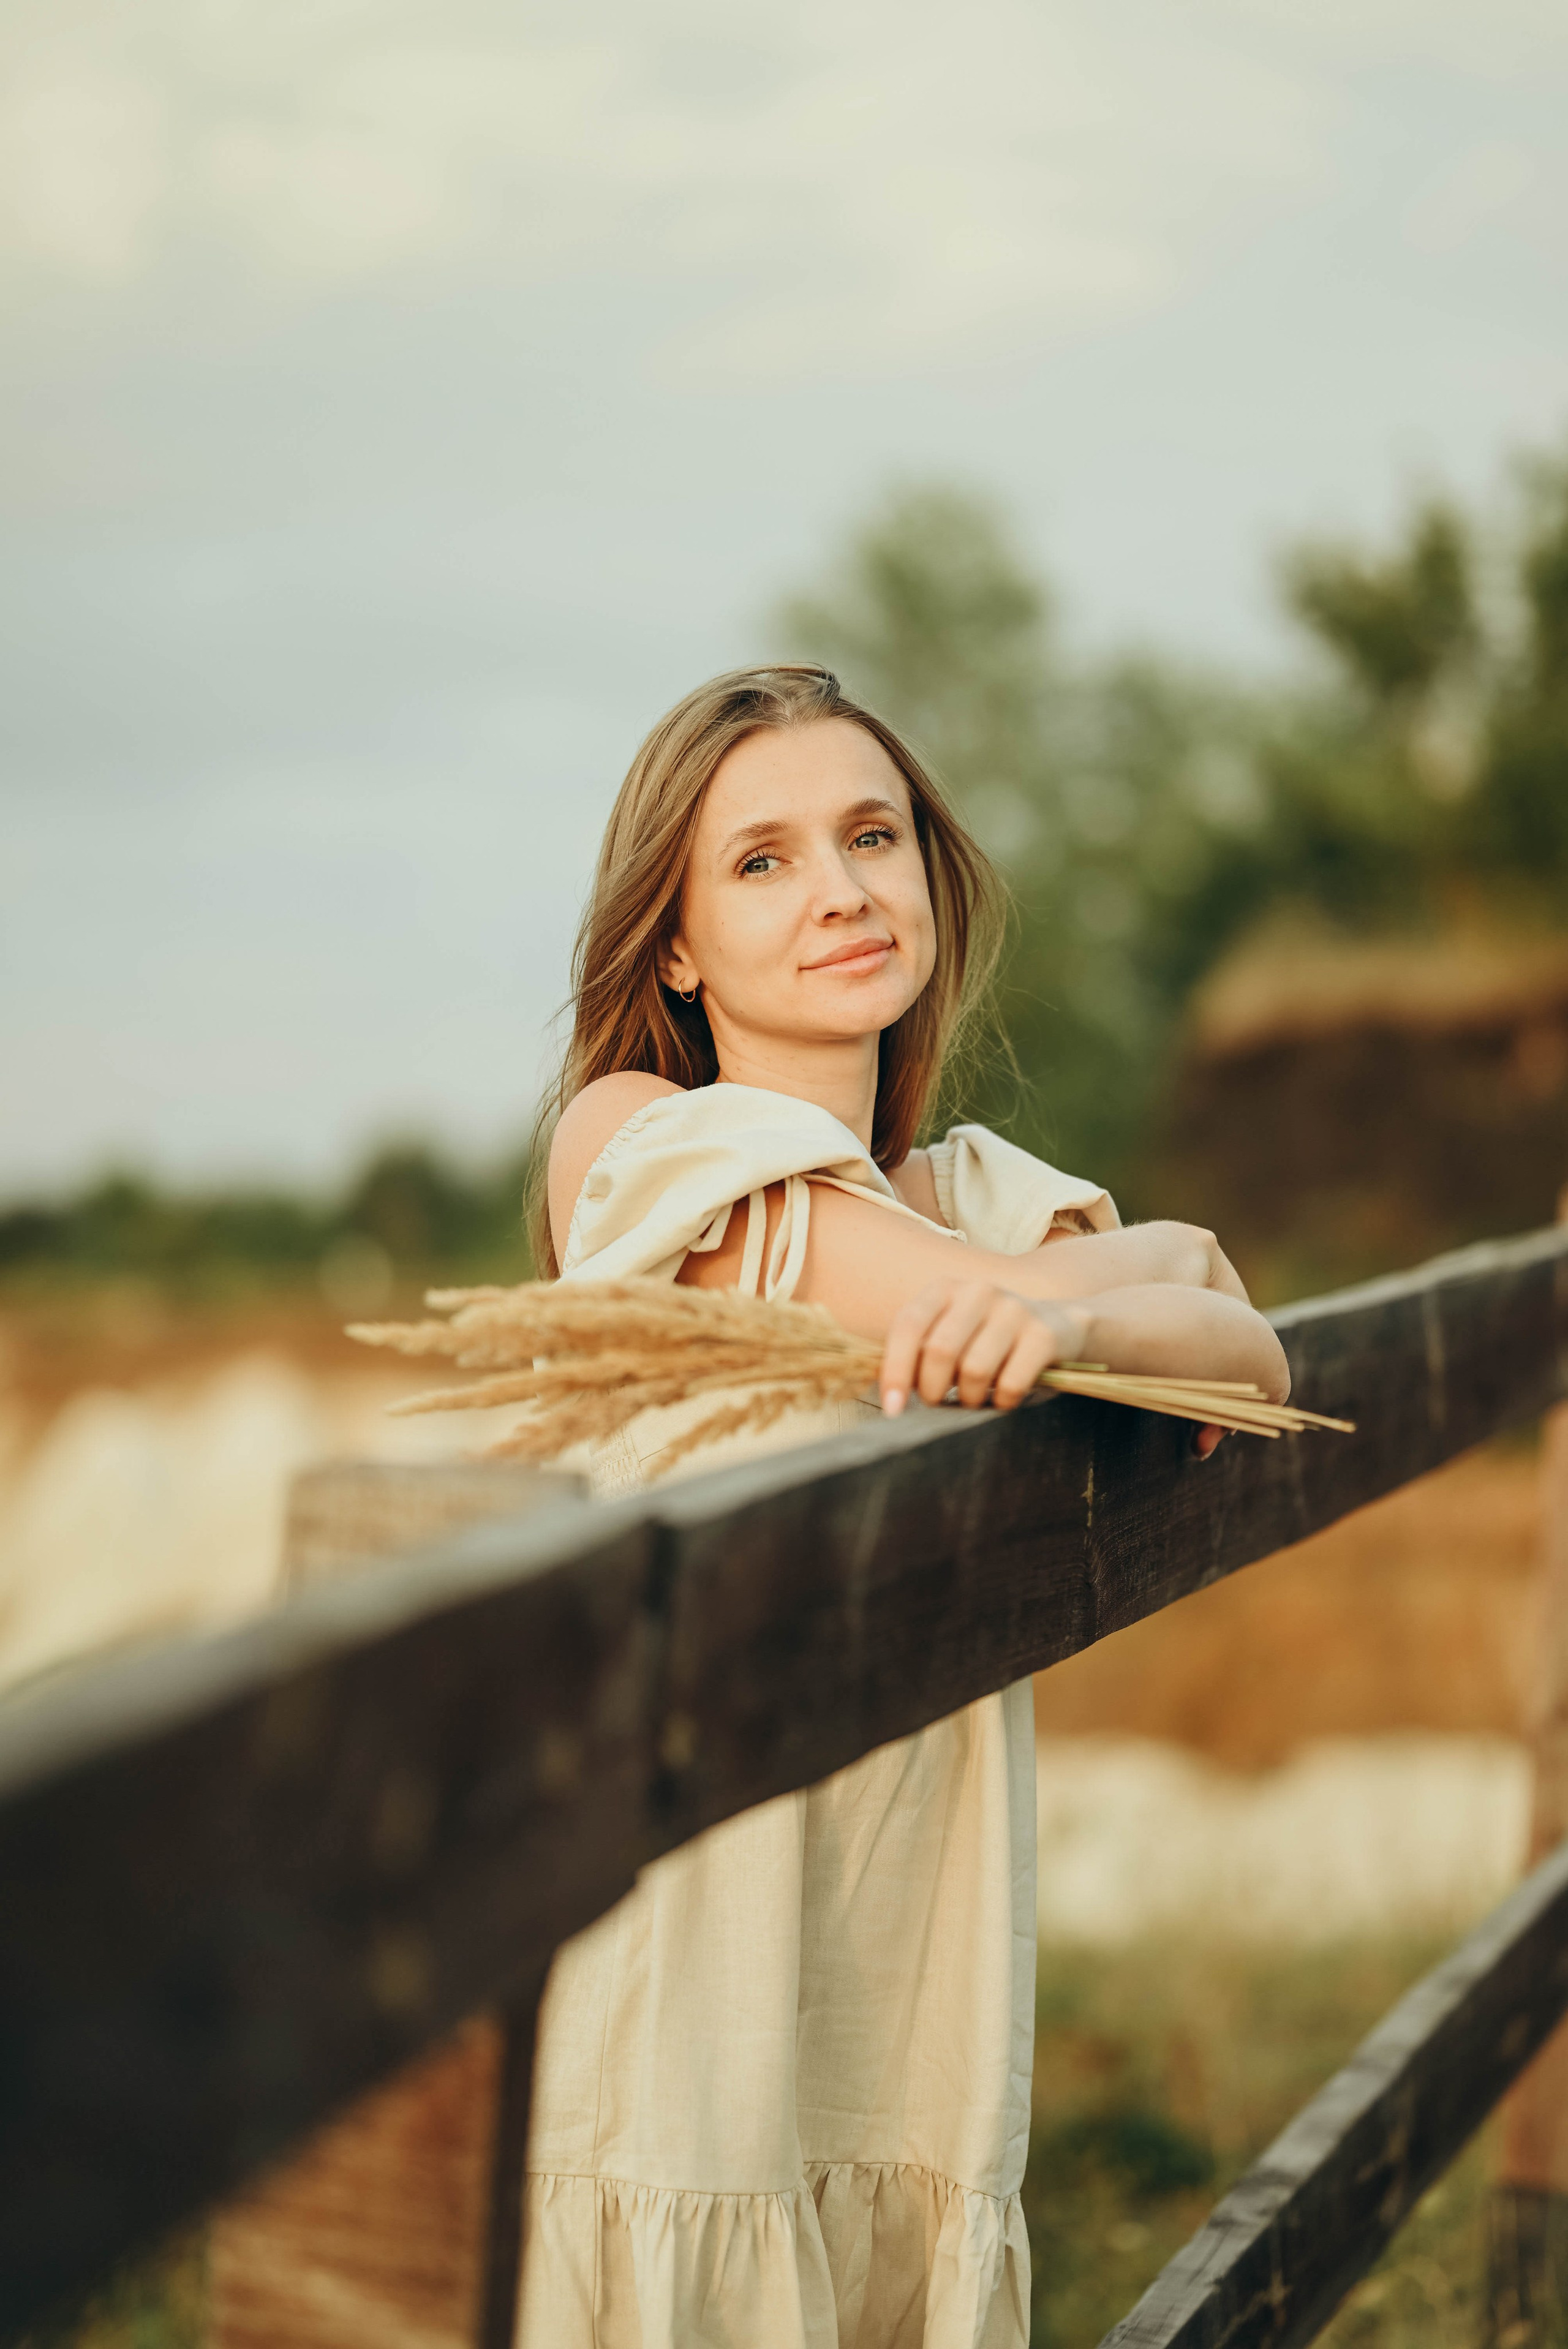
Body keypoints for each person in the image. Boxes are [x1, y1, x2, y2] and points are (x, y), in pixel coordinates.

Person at [517, 665, 1289, 2349]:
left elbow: (1247, 1346)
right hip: (686, 1923)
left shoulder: (977, 1190)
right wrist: (1130, 1268)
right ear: (673, 943)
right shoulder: (632, 1141)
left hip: (898, 1935)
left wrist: (1083, 1314)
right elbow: (954, 1289)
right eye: (765, 861)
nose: (844, 890)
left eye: (873, 836)